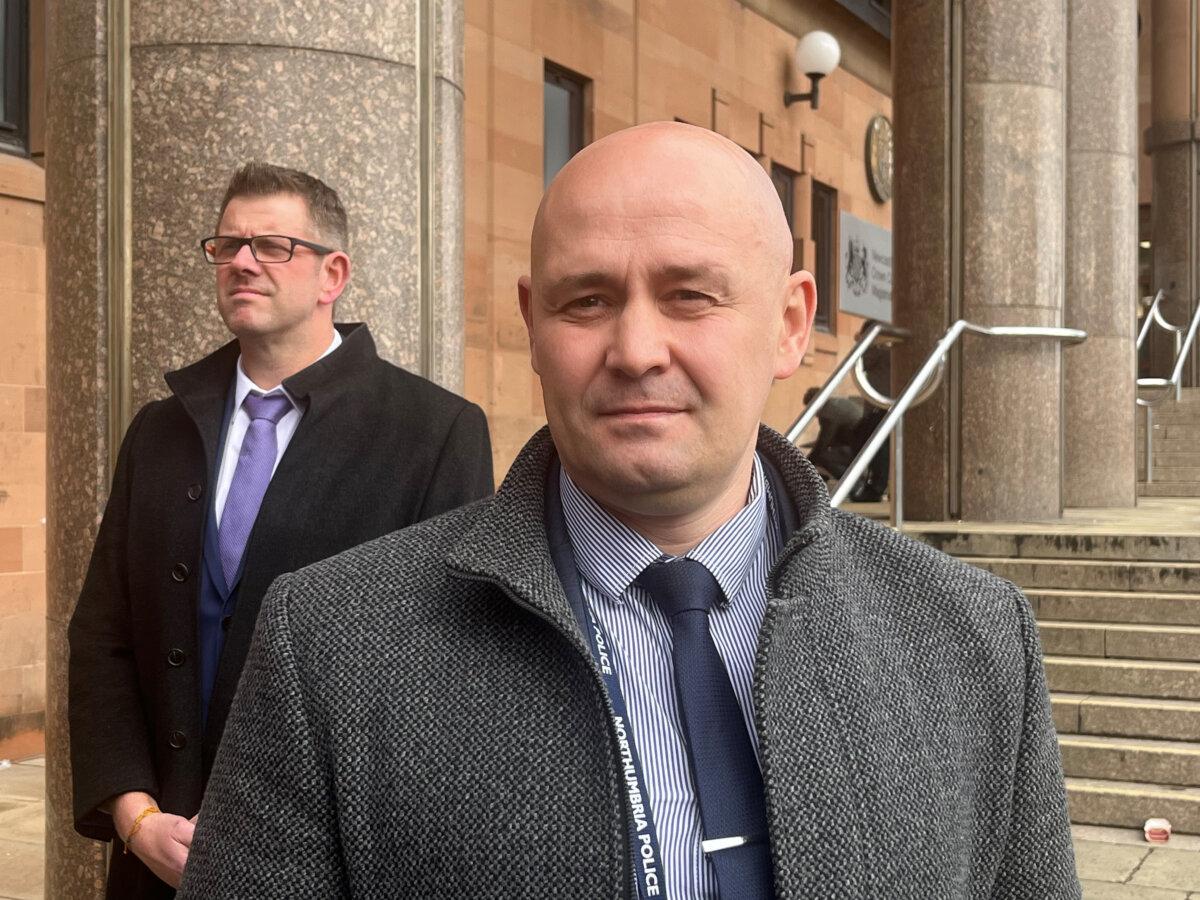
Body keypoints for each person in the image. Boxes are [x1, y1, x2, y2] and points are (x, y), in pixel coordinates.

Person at [180, 125, 1079, 898]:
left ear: (790, 324)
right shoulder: (330, 645)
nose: (637, 350)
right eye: (589, 300)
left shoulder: (971, 638)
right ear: (533, 325)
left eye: (691, 294)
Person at [68, 162, 494, 898]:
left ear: (333, 274)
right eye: (227, 245)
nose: (240, 261)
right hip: (156, 860)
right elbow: (103, 636)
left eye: (271, 245)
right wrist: (135, 817)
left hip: (329, 866)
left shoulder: (435, 432)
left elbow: (448, 671)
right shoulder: (160, 430)